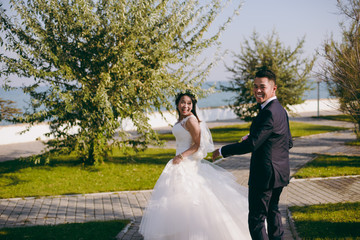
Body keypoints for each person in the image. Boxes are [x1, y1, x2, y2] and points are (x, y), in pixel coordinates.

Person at [139, 90, 251, 240]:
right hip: (180, 162)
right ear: (178, 104)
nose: (185, 106)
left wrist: (181, 156)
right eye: (183, 102)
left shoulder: (191, 120)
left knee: (191, 199)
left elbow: (198, 145)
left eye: (189, 103)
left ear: (193, 105)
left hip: (187, 163)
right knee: (176, 199)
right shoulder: (181, 120)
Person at [213, 68, 293, 240]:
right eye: (255, 86)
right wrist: (257, 137)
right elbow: (287, 141)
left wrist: (222, 151)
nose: (257, 90)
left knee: (256, 219)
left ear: (274, 88)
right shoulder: (280, 110)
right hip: (280, 173)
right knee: (273, 212)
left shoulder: (268, 112)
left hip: (264, 175)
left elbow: (252, 145)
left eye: (262, 87)